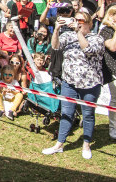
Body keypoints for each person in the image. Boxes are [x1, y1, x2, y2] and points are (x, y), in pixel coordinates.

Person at [43, 12, 104, 159]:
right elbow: (55, 46)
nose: (77, 22)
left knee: (88, 114)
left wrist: (78, 32)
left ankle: (86, 144)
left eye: (81, 20)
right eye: (75, 20)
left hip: (90, 83)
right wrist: (56, 30)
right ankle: (59, 144)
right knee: (66, 112)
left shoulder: (97, 38)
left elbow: (88, 50)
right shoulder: (68, 35)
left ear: (89, 23)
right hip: (69, 82)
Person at [99, 5, 116, 141]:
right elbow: (112, 46)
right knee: (115, 100)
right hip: (112, 70)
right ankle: (113, 128)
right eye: (113, 14)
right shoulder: (105, 31)